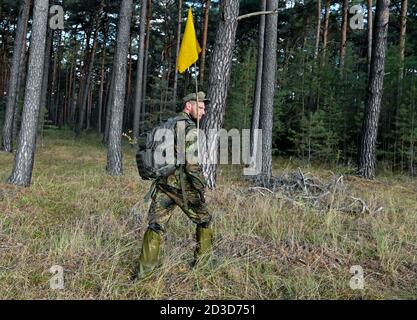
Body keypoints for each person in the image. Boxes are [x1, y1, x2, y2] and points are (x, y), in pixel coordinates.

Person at [137, 91, 213, 279]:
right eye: (201, 107)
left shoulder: (169, 123)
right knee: (204, 220)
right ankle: (203, 268)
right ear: (189, 106)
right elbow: (192, 165)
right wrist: (201, 186)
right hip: (182, 187)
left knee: (155, 225)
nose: (203, 112)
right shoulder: (189, 129)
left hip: (163, 183)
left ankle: (144, 274)